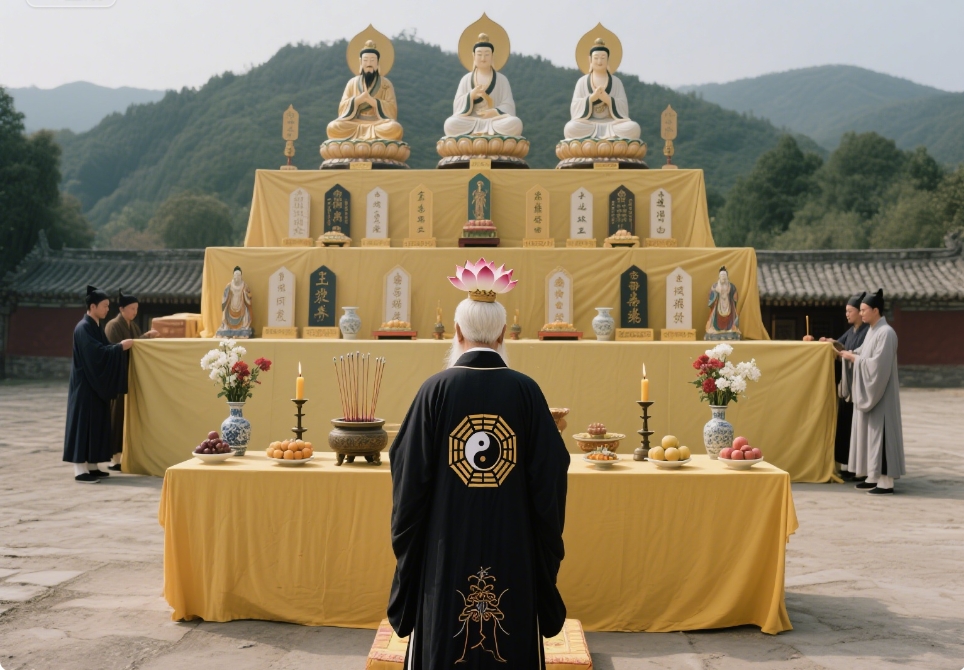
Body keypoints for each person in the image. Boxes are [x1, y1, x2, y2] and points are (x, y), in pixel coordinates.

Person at [388, 259, 569, 669]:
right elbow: (551, 475)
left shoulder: (434, 391)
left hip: (444, 549)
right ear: (504, 334)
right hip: (514, 546)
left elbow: (408, 477)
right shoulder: (526, 392)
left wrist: (409, 560)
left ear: (457, 333)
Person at [838, 289, 905, 495]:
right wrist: (850, 353)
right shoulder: (873, 331)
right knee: (869, 435)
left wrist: (853, 359)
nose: (862, 313)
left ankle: (886, 482)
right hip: (872, 393)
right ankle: (873, 475)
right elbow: (863, 354)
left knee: (881, 435)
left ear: (876, 310)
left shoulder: (886, 333)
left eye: (865, 310)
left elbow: (877, 365)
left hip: (881, 395)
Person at [63, 286, 132, 483]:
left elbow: (104, 348)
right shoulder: (83, 327)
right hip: (85, 385)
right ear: (92, 306)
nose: (107, 310)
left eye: (108, 306)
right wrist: (119, 348)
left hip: (95, 385)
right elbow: (96, 354)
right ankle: (79, 468)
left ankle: (92, 465)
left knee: (97, 423)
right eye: (104, 306)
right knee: (83, 423)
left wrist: (116, 348)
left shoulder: (95, 326)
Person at [804, 292, 870, 480]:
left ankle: (862, 469)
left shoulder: (868, 332)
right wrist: (827, 343)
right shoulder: (852, 331)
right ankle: (850, 465)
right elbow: (839, 346)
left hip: (860, 387)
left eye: (851, 311)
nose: (847, 314)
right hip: (847, 387)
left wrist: (837, 347)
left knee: (858, 429)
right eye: (846, 311)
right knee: (846, 428)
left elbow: (850, 353)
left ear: (860, 312)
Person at [104, 290, 159, 469]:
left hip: (129, 375)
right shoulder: (113, 326)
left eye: (136, 309)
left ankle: (125, 454)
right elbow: (115, 349)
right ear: (121, 309)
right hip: (118, 375)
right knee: (117, 414)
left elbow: (135, 344)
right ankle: (115, 457)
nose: (134, 312)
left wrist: (146, 337)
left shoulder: (133, 326)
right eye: (131, 308)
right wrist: (140, 340)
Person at [443, 34, 523, 137]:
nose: (483, 58)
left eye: (487, 54)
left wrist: (494, 112)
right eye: (479, 54)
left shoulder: (502, 80)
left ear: (492, 56)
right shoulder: (466, 79)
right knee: (450, 124)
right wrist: (471, 95)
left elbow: (509, 106)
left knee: (515, 123)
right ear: (473, 56)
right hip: (471, 121)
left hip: (494, 121)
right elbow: (457, 107)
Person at [326, 39, 404, 142]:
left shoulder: (386, 83)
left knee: (395, 128)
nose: (369, 64)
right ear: (360, 62)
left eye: (372, 60)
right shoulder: (352, 82)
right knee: (333, 127)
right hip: (354, 123)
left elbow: (392, 109)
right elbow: (342, 108)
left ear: (377, 62)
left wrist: (374, 102)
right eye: (365, 60)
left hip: (378, 124)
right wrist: (358, 100)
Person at [564, 38, 641, 141]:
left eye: (603, 58)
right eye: (596, 58)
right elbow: (574, 108)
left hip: (612, 125)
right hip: (589, 125)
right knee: (570, 128)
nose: (599, 61)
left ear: (607, 59)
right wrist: (591, 98)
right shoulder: (582, 82)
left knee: (633, 128)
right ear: (590, 59)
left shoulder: (616, 82)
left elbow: (624, 109)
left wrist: (608, 100)